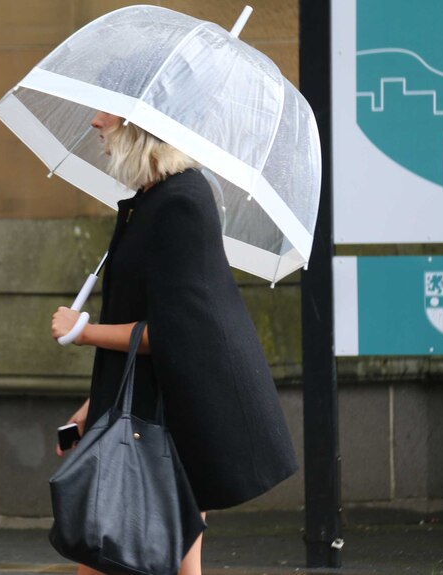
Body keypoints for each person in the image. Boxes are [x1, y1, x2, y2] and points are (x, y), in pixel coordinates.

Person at [51, 111, 298, 575]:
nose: (93, 121)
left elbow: (173, 332)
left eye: (106, 112)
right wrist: (95, 403)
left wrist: (82, 332)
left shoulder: (181, 202)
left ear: (138, 123)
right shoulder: (150, 200)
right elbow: (148, 317)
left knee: (109, 557)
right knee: (151, 557)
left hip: (173, 416)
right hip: (153, 410)